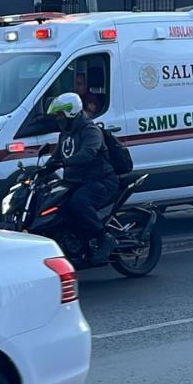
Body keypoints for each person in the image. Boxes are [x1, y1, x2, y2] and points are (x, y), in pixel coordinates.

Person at [45, 92, 119, 263]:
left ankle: (104, 237)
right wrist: (42, 169)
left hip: (100, 180)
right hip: (77, 181)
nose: (58, 118)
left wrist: (64, 163)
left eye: (60, 114)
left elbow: (88, 153)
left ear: (71, 112)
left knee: (79, 202)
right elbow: (56, 157)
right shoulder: (65, 133)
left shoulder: (91, 130)